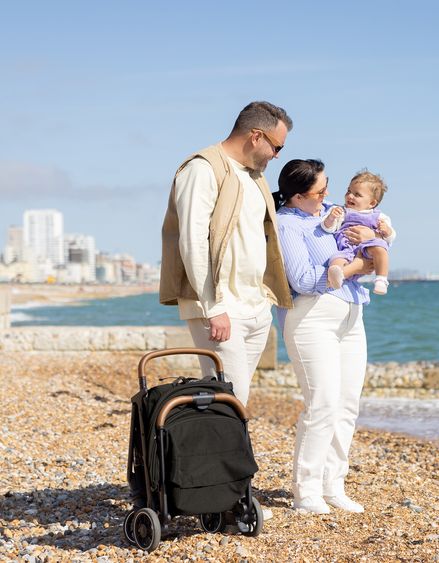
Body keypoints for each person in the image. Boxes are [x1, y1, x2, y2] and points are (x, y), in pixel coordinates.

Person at [159, 101, 294, 406]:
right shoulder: (202, 169)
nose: (277, 156)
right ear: (256, 136)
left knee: (230, 398)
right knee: (230, 398)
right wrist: (213, 306)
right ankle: (218, 453)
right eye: (277, 147)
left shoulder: (254, 177)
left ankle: (218, 453)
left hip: (255, 306)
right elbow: (192, 240)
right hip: (220, 306)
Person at [273, 159, 387, 514]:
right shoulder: (288, 224)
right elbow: (304, 280)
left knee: (347, 404)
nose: (327, 195)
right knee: (321, 403)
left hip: (352, 314)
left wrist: (371, 242)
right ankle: (306, 491)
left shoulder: (330, 218)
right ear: (297, 195)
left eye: (327, 188)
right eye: (319, 191)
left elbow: (366, 246)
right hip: (312, 318)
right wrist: (358, 268)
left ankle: (333, 484)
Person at [321, 170, 396, 295]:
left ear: (372, 203)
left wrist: (387, 231)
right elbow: (328, 228)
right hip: (345, 248)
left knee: (381, 250)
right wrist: (331, 218)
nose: (350, 196)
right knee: (336, 260)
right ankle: (337, 277)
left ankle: (381, 279)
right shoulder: (341, 211)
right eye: (348, 191)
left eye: (357, 194)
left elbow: (390, 238)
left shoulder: (379, 216)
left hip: (367, 248)